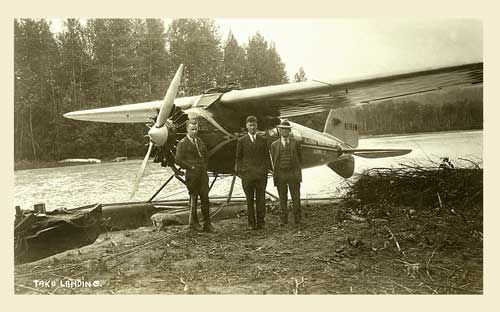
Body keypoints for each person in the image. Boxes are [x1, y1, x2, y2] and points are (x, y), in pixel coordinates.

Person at [175, 119, 215, 232]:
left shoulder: (200, 141)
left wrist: (204, 166)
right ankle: (194, 222)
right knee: (193, 198)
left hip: (202, 175)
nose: (194, 131)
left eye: (196, 129)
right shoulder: (182, 143)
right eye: (192, 129)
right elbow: (178, 160)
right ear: (187, 130)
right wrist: (190, 167)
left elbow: (206, 155)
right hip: (192, 176)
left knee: (205, 198)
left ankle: (207, 223)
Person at [235, 116, 272, 230]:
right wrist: (242, 172)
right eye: (250, 125)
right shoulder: (241, 141)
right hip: (248, 176)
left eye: (254, 125)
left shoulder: (263, 140)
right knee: (249, 200)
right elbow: (238, 158)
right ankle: (251, 223)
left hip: (261, 176)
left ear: (257, 126)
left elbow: (267, 157)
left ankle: (261, 222)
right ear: (247, 126)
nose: (252, 127)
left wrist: (264, 171)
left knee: (261, 199)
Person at [270, 119, 303, 229]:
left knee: (296, 197)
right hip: (281, 175)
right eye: (283, 129)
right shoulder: (274, 145)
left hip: (293, 174)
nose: (285, 131)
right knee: (282, 198)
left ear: (289, 131)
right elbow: (274, 160)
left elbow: (300, 159)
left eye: (287, 130)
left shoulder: (296, 143)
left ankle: (297, 219)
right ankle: (283, 219)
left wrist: (297, 172)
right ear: (279, 130)